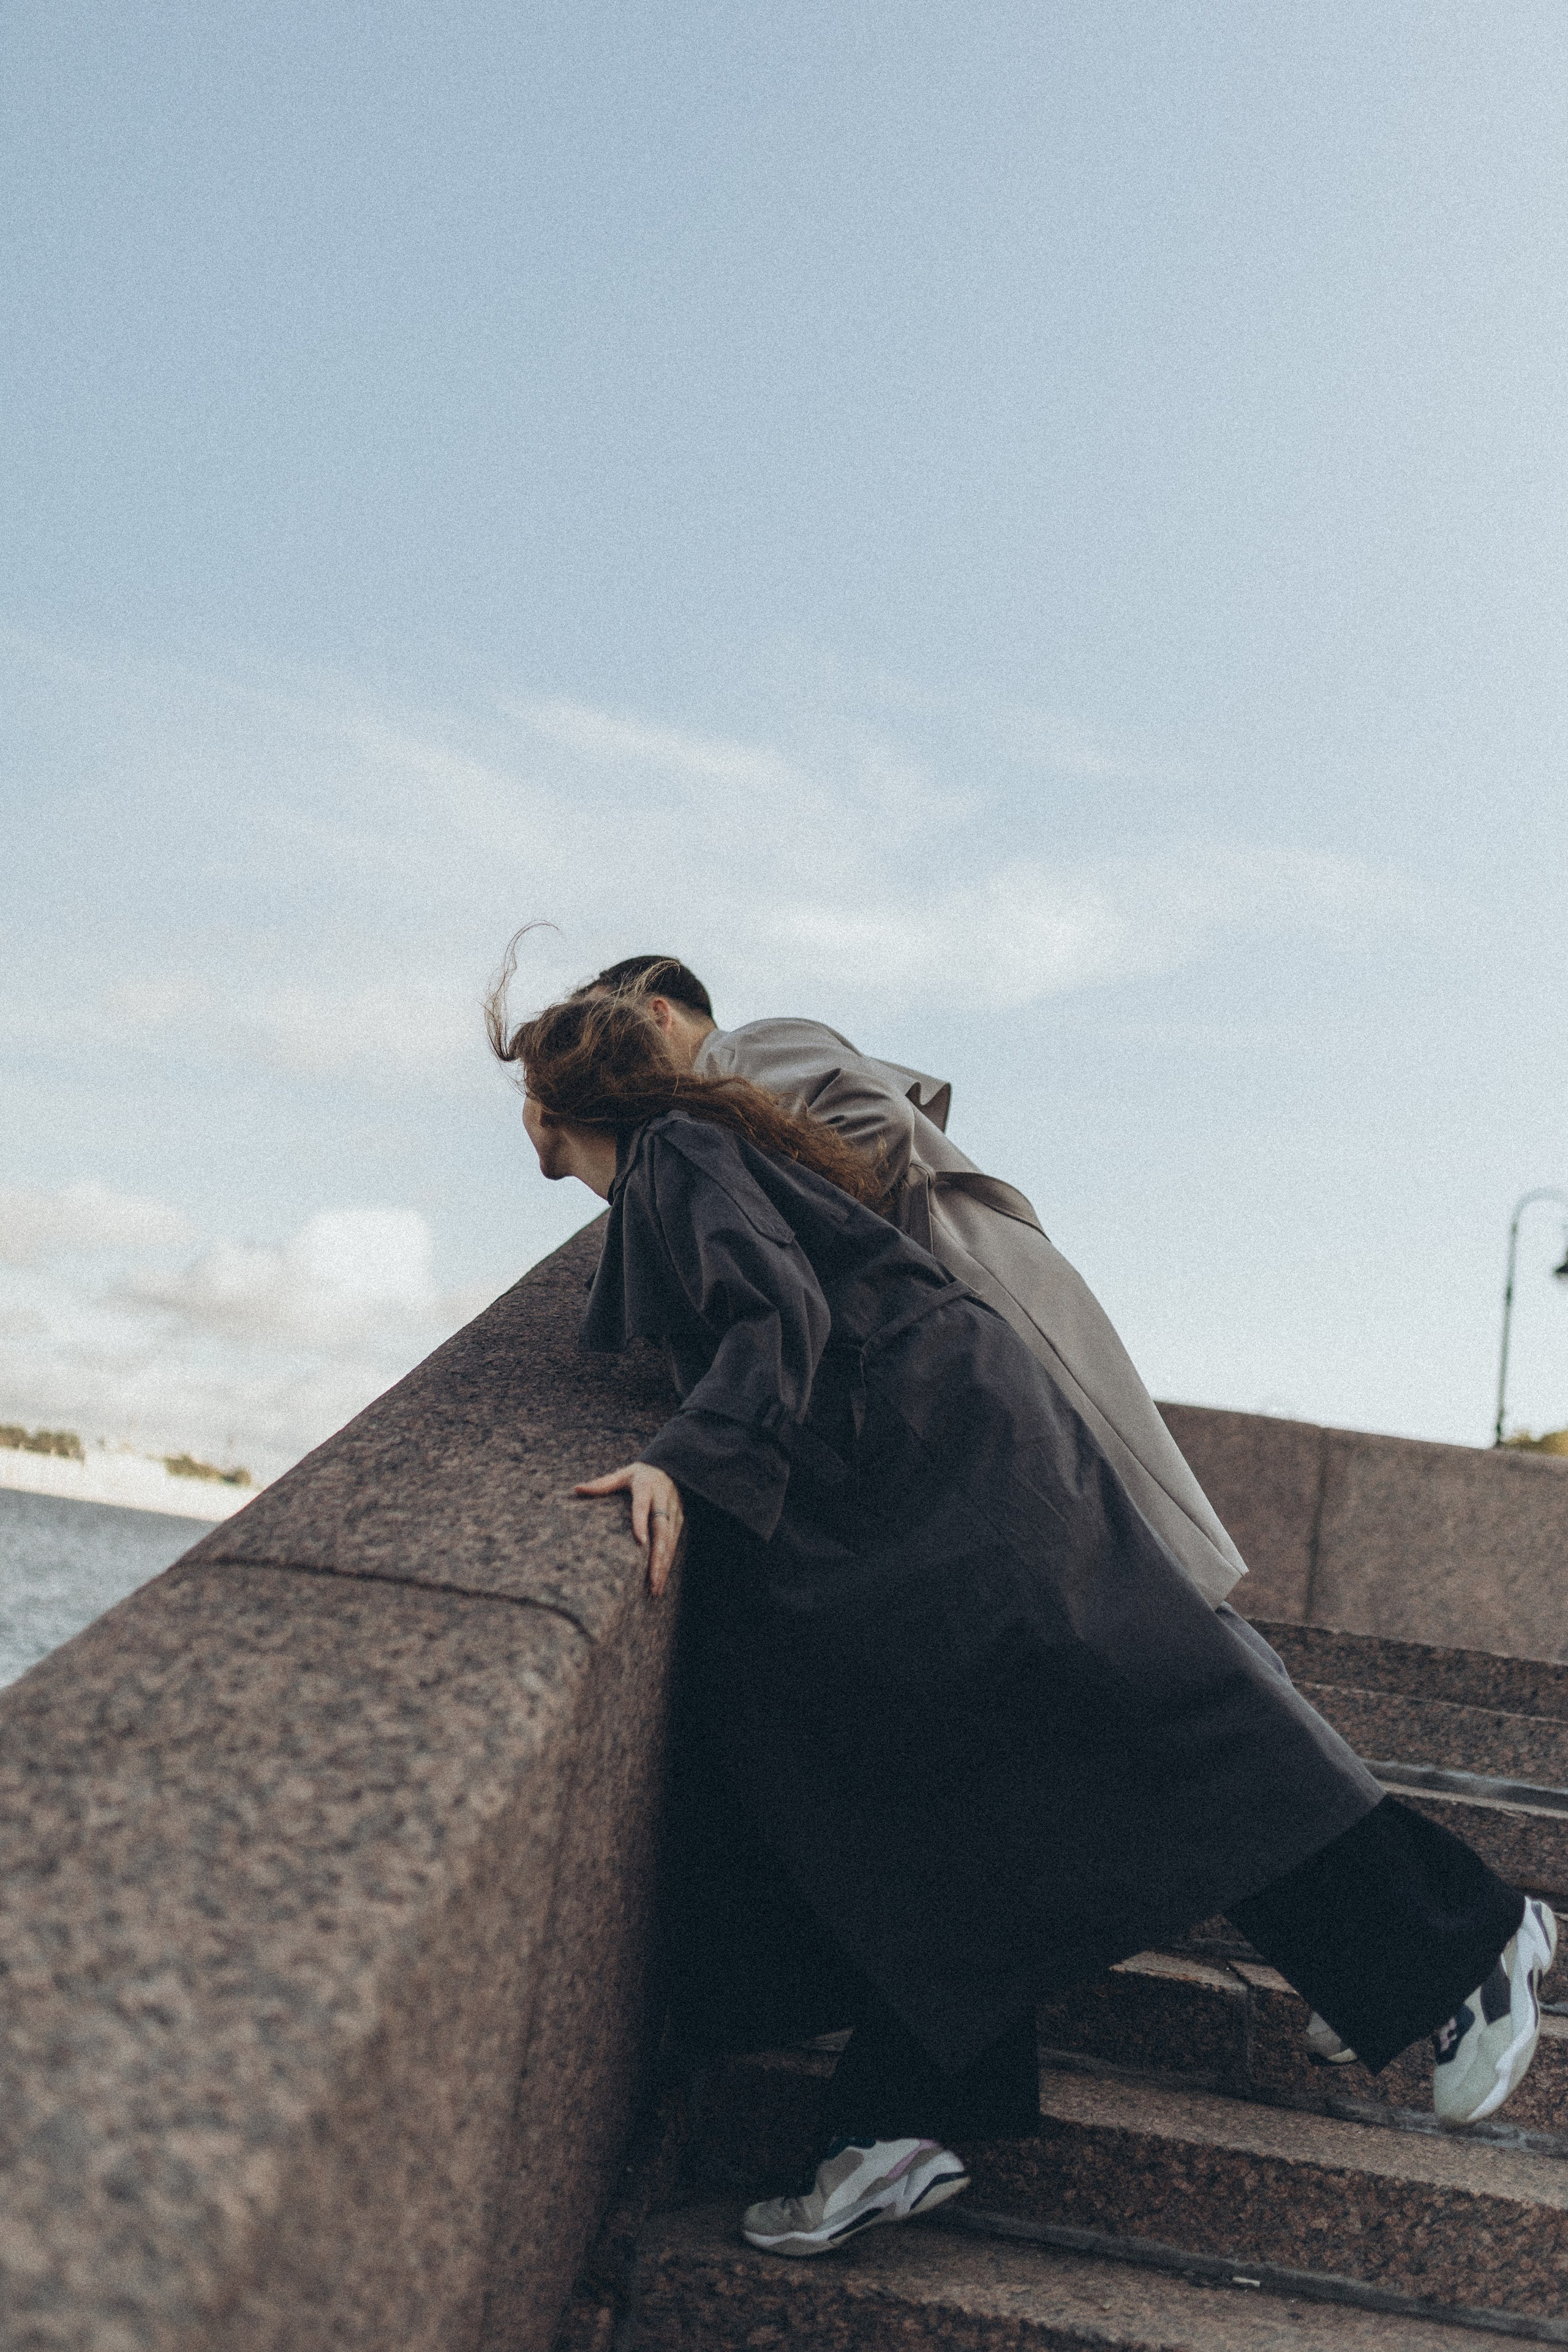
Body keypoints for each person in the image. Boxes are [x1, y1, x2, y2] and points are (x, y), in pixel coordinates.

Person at [490, 976, 1554, 2262]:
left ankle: (1460, 1939)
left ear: (560, 1105)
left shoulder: (677, 1152)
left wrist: (682, 1458)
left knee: (1133, 1728)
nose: (529, 1142)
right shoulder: (697, 1151)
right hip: (914, 1452)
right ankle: (904, 2117)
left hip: (931, 1457)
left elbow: (777, 1314)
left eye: (526, 1105)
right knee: (947, 1770)